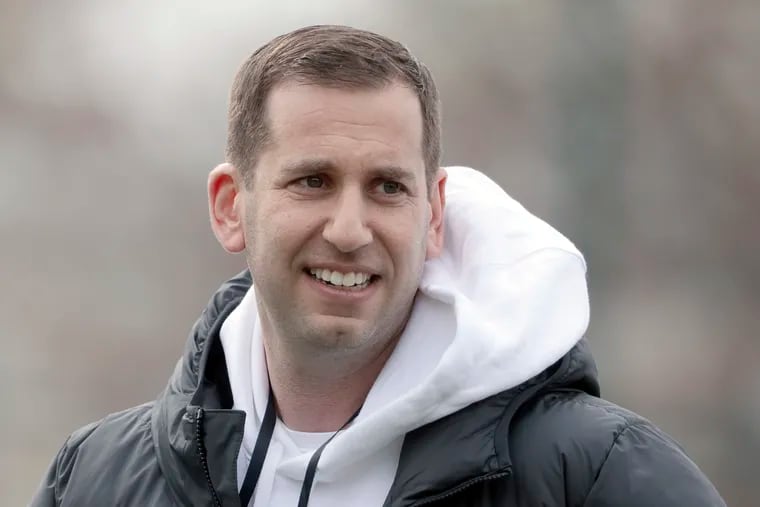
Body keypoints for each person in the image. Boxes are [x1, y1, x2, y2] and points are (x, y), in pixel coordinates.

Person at [32, 25, 725, 507]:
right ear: (229, 206)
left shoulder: (593, 472)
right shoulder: (94, 476)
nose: (349, 229)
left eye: (388, 187)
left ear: (432, 215)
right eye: (312, 180)